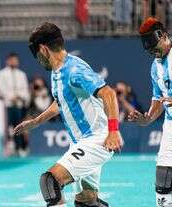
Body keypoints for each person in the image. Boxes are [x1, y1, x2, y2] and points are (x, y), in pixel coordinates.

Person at [13, 22, 123, 207]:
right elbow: (61, 101)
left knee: (50, 181)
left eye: (37, 55)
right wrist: (36, 121)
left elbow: (108, 93)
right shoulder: (57, 71)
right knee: (87, 202)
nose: (38, 60)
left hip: (96, 140)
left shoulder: (74, 70)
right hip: (80, 142)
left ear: (43, 49)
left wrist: (113, 131)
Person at [128, 17, 172, 207]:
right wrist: (146, 119)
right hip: (170, 124)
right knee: (162, 180)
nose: (153, 53)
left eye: (155, 47)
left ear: (163, 35)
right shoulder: (156, 67)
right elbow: (158, 100)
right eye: (149, 51)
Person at [0, 53, 30, 157]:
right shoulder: (1, 74)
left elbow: (25, 89)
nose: (14, 62)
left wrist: (20, 96)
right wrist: (12, 97)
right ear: (8, 61)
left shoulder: (21, 74)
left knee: (19, 127)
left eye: (16, 60)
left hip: (19, 105)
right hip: (7, 105)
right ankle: (7, 149)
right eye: (12, 60)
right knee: (7, 127)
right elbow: (1, 89)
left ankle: (19, 148)